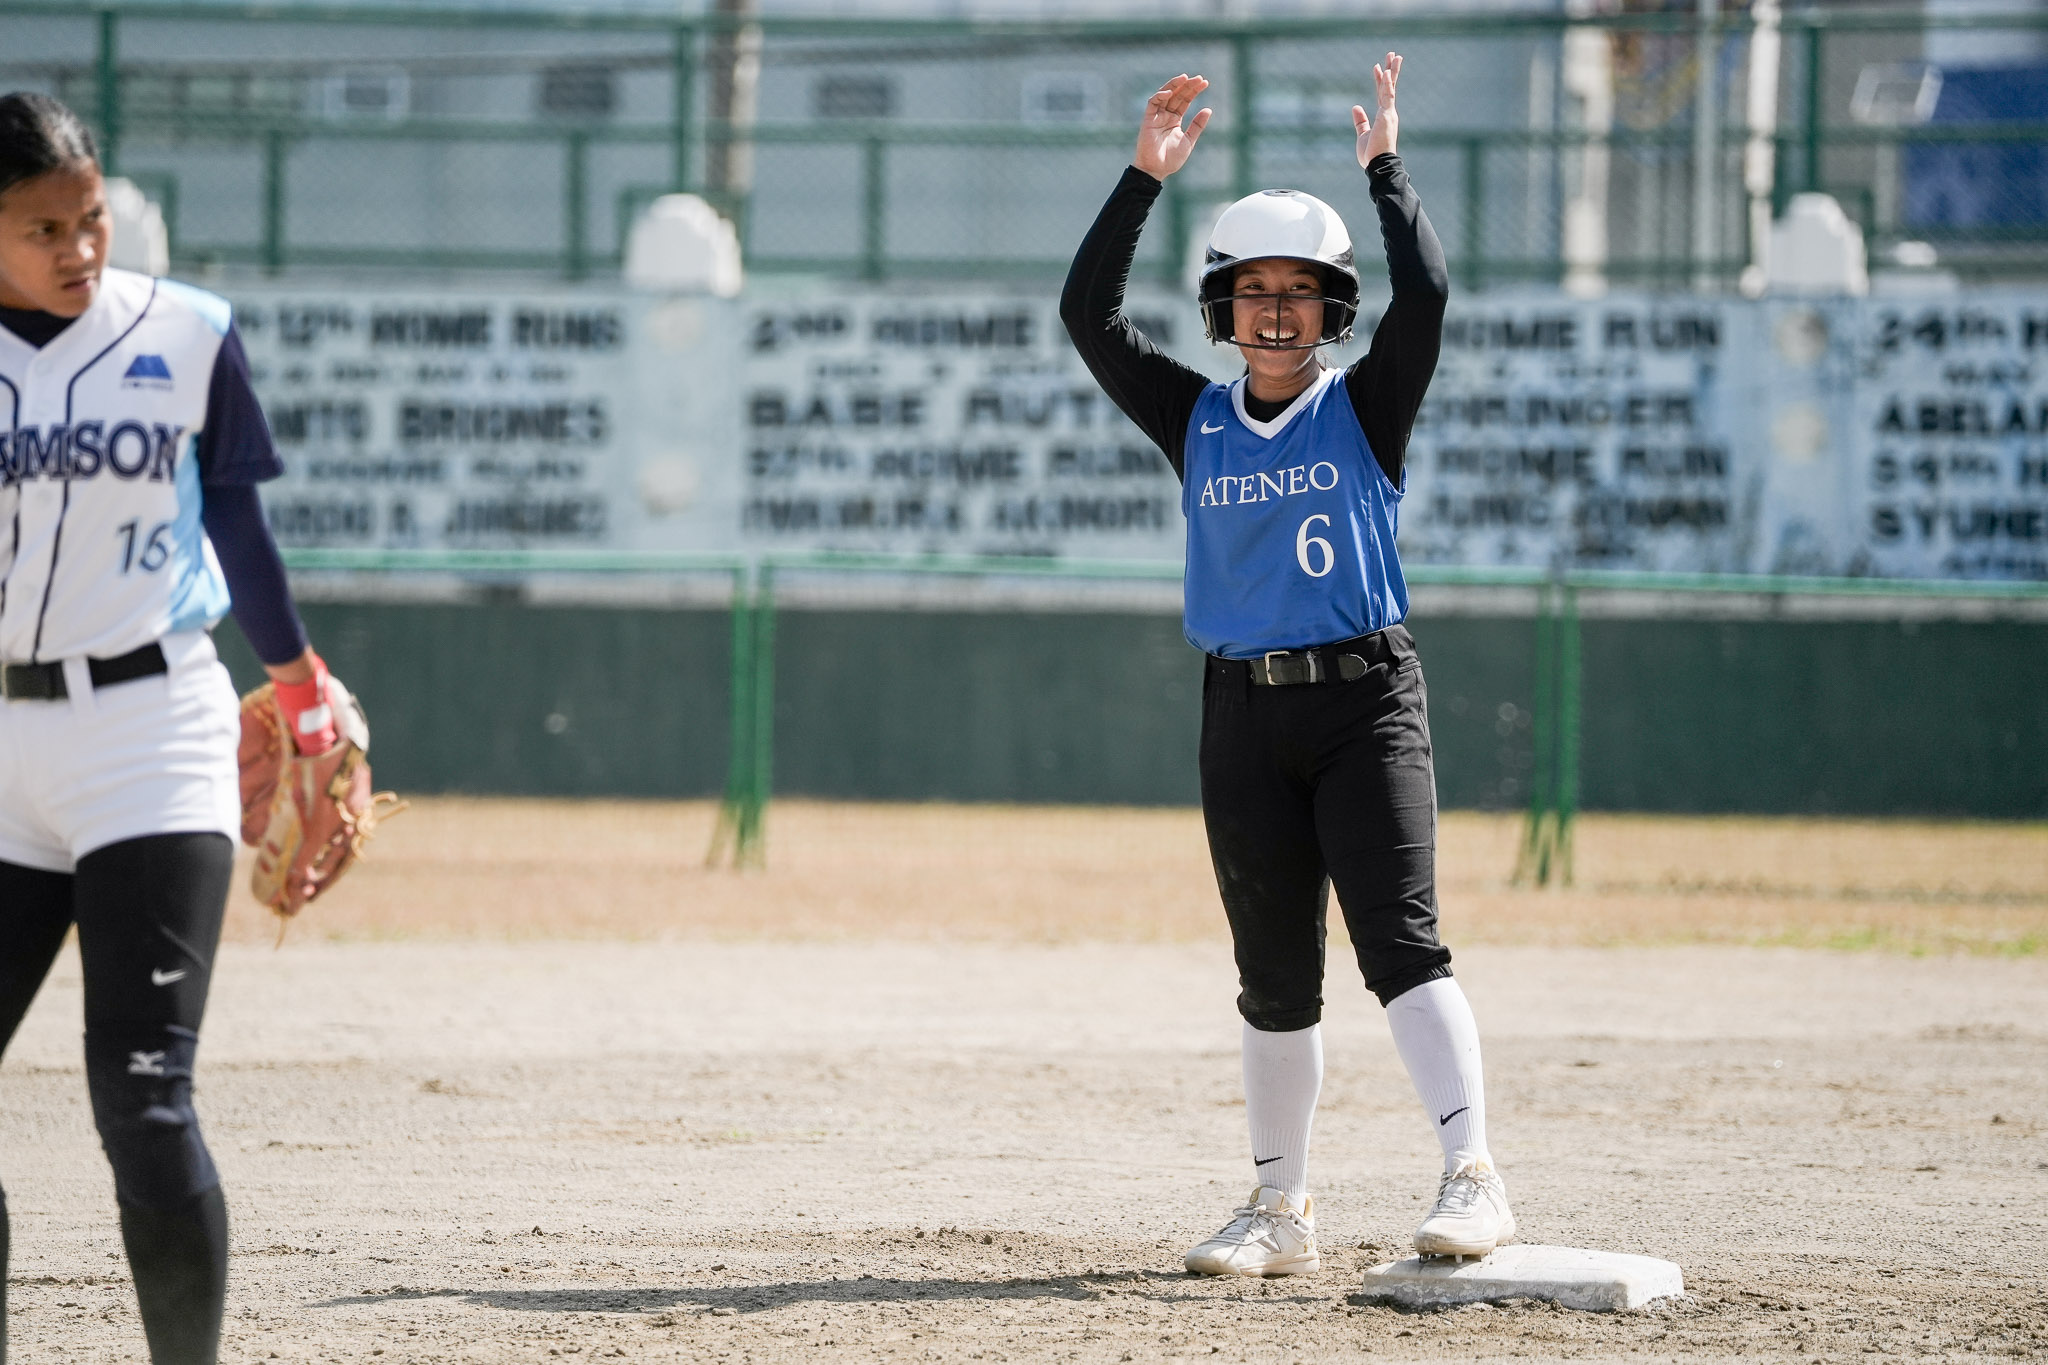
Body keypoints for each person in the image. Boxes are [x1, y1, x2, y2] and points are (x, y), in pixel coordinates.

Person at [1060, 57, 1514, 1277]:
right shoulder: (1192, 417)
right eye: (1249, 289)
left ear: (1329, 312)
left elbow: (1424, 293)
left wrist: (1384, 169)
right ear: (1218, 307)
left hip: (1366, 702)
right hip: (1238, 713)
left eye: (1299, 293)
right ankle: (1278, 1209)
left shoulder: (1364, 410)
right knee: (1271, 977)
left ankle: (1472, 1178)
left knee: (1401, 949)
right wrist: (1140, 180)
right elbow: (1086, 320)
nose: (1272, 309)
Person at [0, 92, 351, 1363]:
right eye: (43, 228)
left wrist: (303, 687)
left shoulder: (187, 332)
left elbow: (237, 527)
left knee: (141, 1098)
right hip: (1, 747)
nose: (78, 248)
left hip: (148, 735)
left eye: (88, 217)